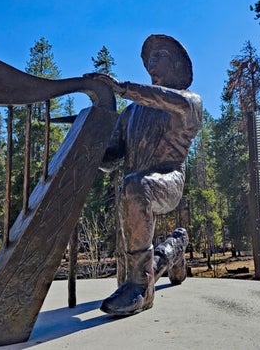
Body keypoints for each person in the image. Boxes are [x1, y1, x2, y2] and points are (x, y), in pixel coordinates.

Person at [85, 34, 202, 315]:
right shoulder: (131, 112)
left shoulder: (189, 102)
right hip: (133, 186)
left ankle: (142, 289)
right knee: (132, 190)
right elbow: (112, 159)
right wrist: (90, 144)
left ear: (176, 66)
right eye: (150, 56)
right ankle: (174, 248)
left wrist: (121, 88)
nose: (152, 60)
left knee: (137, 186)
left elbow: (164, 99)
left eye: (161, 55)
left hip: (169, 179)